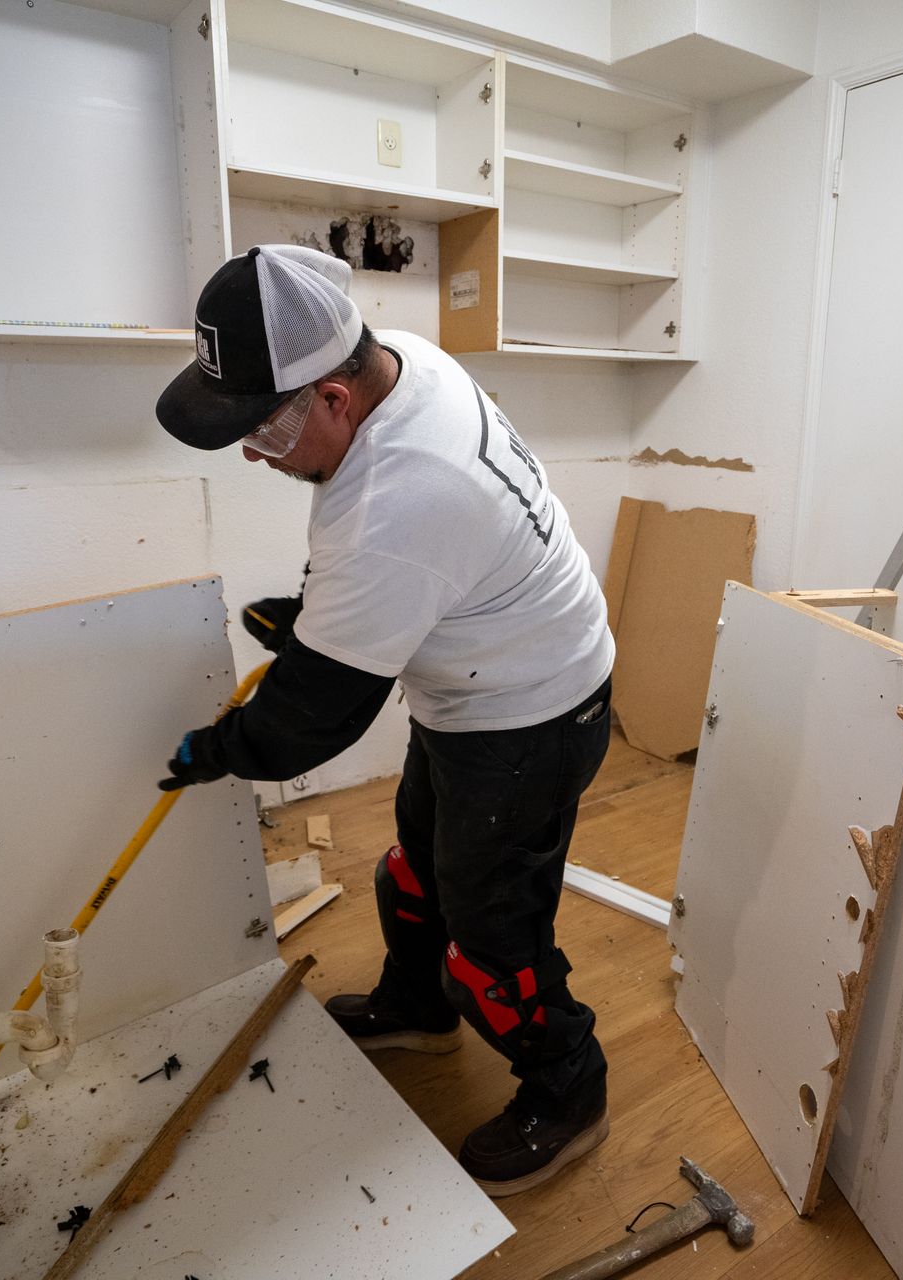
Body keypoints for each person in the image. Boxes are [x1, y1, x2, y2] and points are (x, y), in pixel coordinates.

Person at [152, 244, 615, 1197]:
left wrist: (223, 750)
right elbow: (383, 569)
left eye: (261, 431)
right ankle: (416, 1004)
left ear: (330, 396)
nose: (250, 449)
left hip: (532, 711)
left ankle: (569, 1085)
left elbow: (309, 725)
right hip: (474, 675)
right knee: (416, 872)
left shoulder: (402, 500)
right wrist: (328, 622)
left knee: (492, 939)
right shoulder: (398, 358)